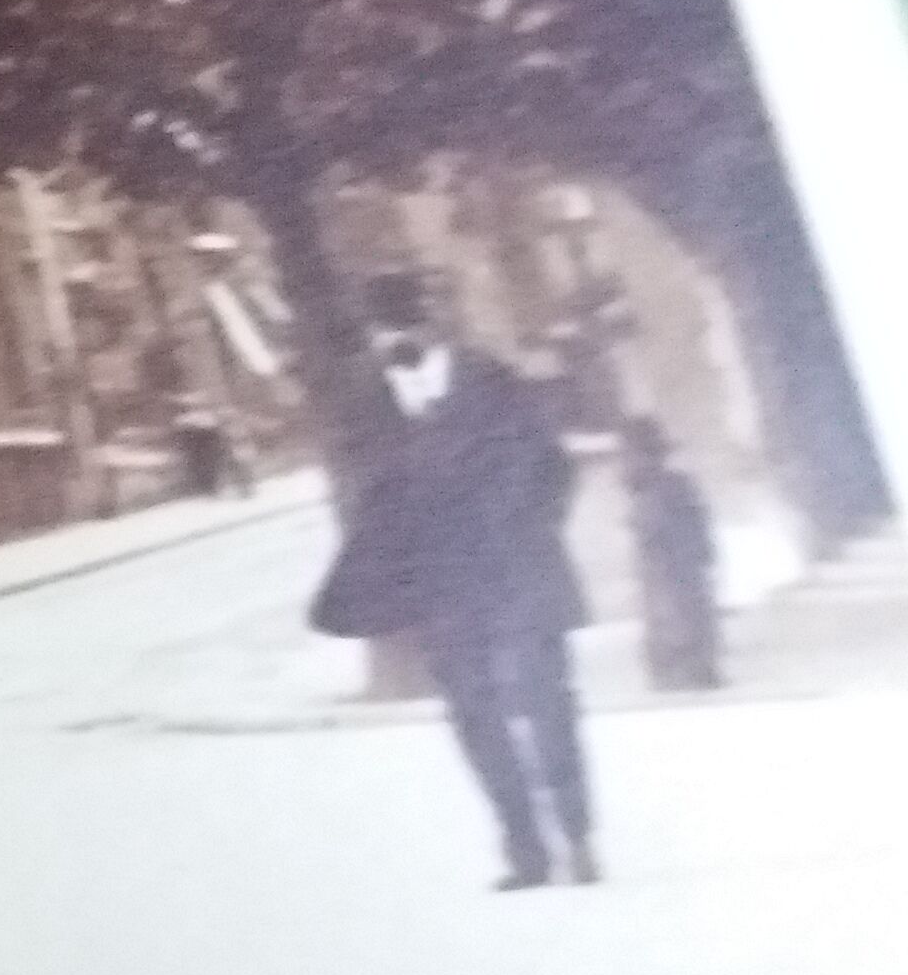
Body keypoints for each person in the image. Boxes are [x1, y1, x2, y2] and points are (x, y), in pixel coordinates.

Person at [307, 270, 599, 889]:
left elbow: (552, 466)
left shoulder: (491, 379)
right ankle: (524, 847)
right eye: (387, 331)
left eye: (407, 325)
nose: (398, 341)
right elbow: (369, 496)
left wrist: (525, 529)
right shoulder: (365, 401)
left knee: (547, 702)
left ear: (432, 323)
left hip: (519, 572)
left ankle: (577, 835)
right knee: (475, 716)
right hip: (442, 588)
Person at [621, 415, 726, 691]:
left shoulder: (662, 488)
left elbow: (691, 521)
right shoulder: (666, 486)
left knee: (679, 610)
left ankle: (687, 665)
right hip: (673, 563)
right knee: (678, 611)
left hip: (676, 562)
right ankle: (686, 665)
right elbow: (693, 521)